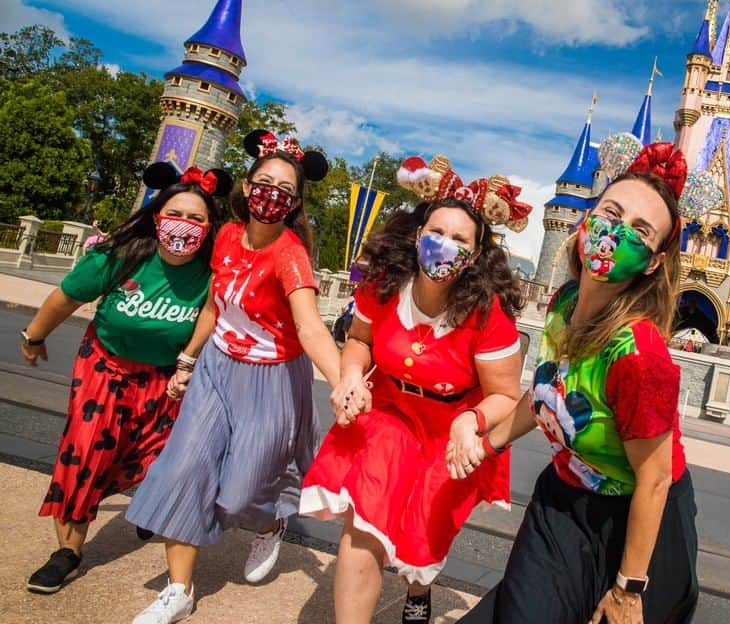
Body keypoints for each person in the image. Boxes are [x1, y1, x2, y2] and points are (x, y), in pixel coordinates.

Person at [458, 137, 713, 624]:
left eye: (641, 229)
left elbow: (655, 479)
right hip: (565, 502)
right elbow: (545, 395)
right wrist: (485, 446)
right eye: (611, 212)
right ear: (586, 218)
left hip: (640, 525)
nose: (616, 232)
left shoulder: (639, 358)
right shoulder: (564, 304)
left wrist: (627, 589)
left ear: (654, 260)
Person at [300, 154, 532, 624]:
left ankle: (418, 586)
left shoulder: (488, 314)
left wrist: (472, 420)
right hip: (390, 411)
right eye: (436, 232)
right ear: (418, 232)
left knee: (423, 536)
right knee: (365, 518)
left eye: (459, 239)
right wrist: (349, 375)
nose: (444, 245)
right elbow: (360, 340)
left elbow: (506, 395)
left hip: (451, 429)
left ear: (477, 252)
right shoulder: (385, 284)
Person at [125, 131, 338, 624]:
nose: (271, 194)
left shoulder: (291, 255)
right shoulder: (223, 236)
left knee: (242, 491)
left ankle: (271, 522)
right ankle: (179, 590)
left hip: (273, 379)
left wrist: (341, 381)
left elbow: (309, 325)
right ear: (245, 185)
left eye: (284, 188)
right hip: (217, 370)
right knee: (184, 469)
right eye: (264, 182)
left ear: (296, 201)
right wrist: (188, 359)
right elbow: (214, 305)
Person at [20, 163, 230, 594]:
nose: (184, 226)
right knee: (85, 449)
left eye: (196, 219)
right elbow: (65, 297)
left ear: (210, 228)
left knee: (161, 457)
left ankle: (150, 506)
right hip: (106, 367)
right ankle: (68, 552)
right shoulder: (121, 256)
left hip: (165, 378)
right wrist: (35, 335)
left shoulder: (213, 274)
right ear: (157, 217)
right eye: (176, 214)